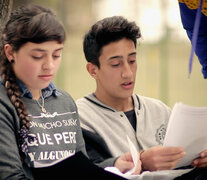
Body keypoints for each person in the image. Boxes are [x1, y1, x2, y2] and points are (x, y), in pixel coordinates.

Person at [0, 4, 140, 180]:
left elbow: (84, 167)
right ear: (11, 52)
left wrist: (113, 165)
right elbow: (10, 176)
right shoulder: (4, 104)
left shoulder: (64, 101)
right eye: (37, 56)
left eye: (56, 55)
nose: (49, 65)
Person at [76, 16, 207, 178]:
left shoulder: (159, 110)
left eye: (132, 60)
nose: (128, 73)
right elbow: (86, 171)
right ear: (92, 70)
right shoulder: (80, 119)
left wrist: (201, 158)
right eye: (116, 64)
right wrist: (141, 163)